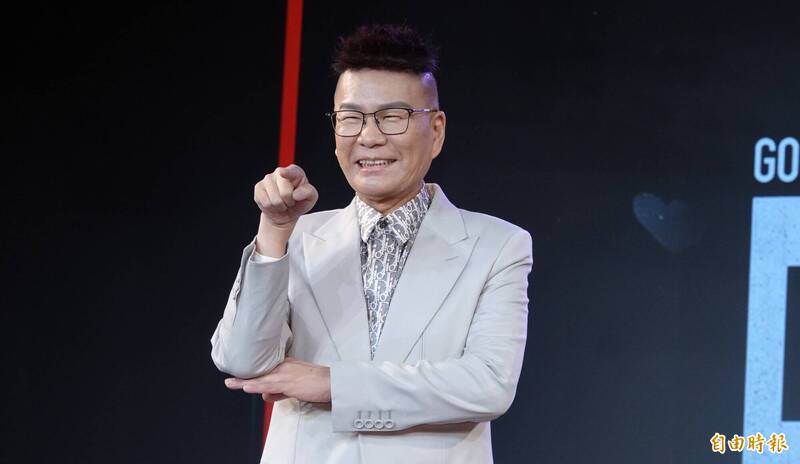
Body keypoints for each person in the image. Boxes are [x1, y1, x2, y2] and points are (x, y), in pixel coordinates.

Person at [211, 24, 533, 464]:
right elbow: (243, 361)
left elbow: (489, 384)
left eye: (392, 116)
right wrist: (274, 229)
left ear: (436, 130)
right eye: (351, 118)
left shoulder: (497, 246)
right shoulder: (295, 237)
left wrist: (332, 384)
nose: (369, 136)